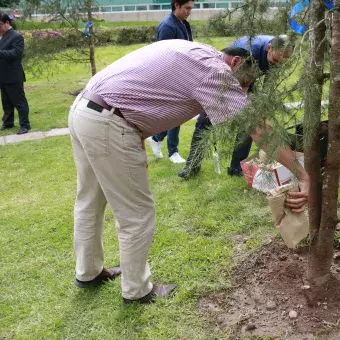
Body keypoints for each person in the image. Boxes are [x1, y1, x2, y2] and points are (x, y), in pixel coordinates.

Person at [68, 39, 309, 304]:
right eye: (245, 83)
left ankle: (88, 272)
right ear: (236, 62)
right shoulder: (216, 73)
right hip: (109, 122)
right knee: (136, 213)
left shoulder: (202, 52)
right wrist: (303, 173)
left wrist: (135, 139)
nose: (243, 90)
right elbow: (259, 129)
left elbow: (145, 91)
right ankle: (137, 291)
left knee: (89, 200)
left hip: (85, 109)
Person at [178, 34, 293, 179]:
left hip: (250, 79)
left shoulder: (278, 56)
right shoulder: (250, 51)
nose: (277, 65)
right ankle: (192, 166)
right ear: (269, 48)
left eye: (281, 63)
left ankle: (236, 168)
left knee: (251, 121)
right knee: (205, 119)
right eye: (275, 61)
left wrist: (264, 103)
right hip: (230, 75)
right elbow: (238, 82)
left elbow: (269, 80)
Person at [146, 0, 195, 164]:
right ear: (176, 5)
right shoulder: (167, 27)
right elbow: (163, 56)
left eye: (191, 8)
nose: (189, 11)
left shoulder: (184, 24)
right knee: (177, 113)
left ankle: (157, 137)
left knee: (179, 113)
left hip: (183, 75)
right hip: (171, 77)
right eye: (187, 8)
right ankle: (172, 151)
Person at [0, 13, 30, 135]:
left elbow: (16, 53)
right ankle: (8, 122)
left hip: (13, 76)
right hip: (2, 75)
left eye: (0, 25)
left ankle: (25, 125)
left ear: (8, 23)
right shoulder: (1, 36)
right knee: (6, 102)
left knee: (19, 101)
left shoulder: (16, 37)